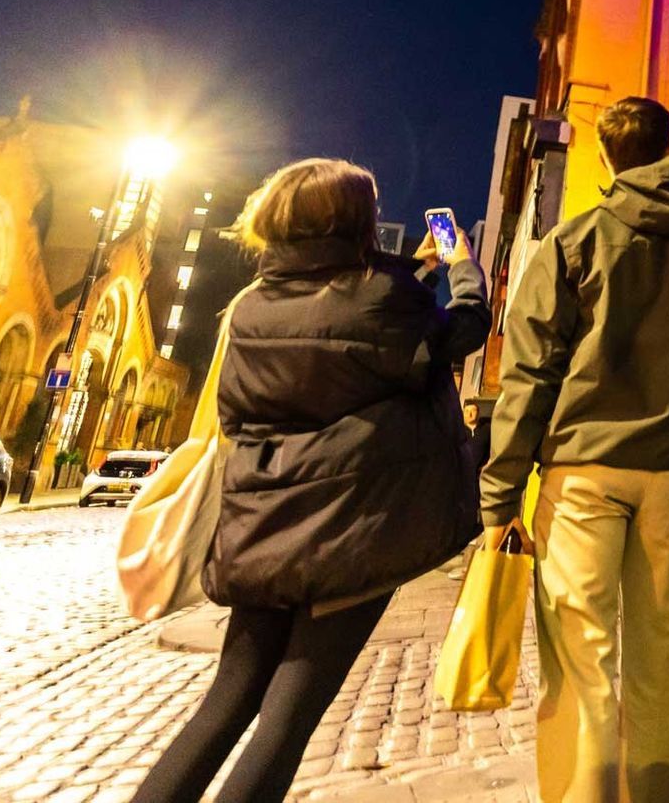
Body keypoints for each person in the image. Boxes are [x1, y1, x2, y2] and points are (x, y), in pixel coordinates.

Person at [133, 159, 489, 803]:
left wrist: (413, 271)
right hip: (347, 534)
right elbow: (459, 330)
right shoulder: (383, 300)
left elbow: (316, 343)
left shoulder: (249, 308)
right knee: (286, 722)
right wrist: (461, 268)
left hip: (260, 532)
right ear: (356, 221)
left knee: (224, 707)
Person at [482, 96, 669, 803]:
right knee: (660, 655)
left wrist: (500, 494)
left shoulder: (573, 244)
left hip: (582, 475)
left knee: (582, 654)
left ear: (604, 158)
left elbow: (528, 376)